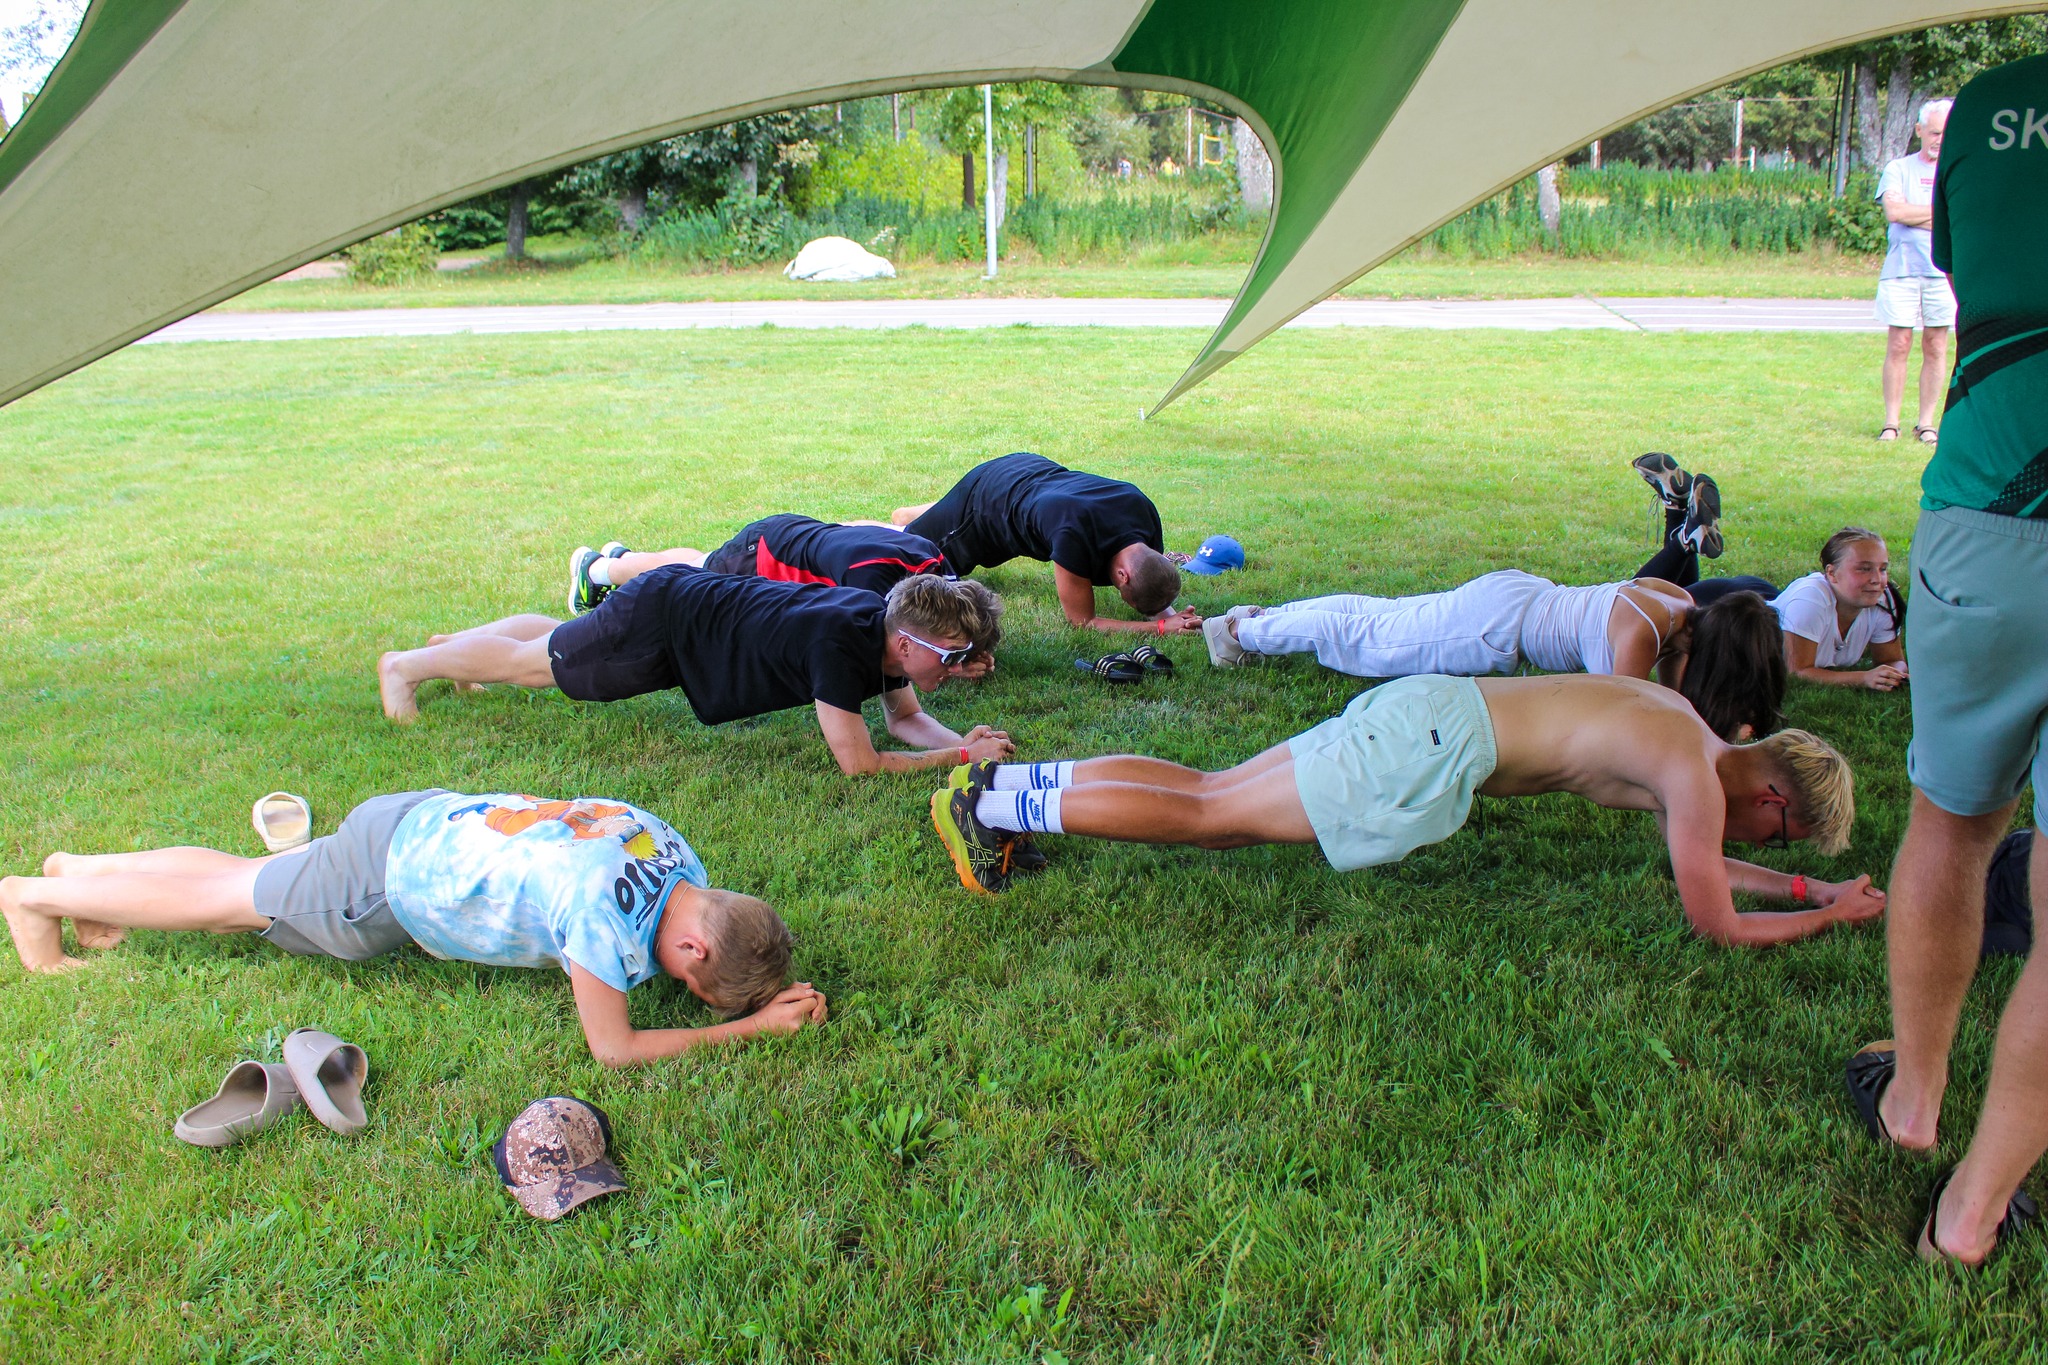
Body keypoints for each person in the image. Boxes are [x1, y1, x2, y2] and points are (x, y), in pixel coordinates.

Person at [929, 674, 1886, 948]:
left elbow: (1703, 859)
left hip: (1428, 708)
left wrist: (1807, 884)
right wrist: (1830, 914)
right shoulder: (1694, 775)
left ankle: (1003, 792)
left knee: (1208, 786)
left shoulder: (1681, 724)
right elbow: (1715, 919)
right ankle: (994, 810)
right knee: (1210, 814)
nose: (1762, 841)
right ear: (1772, 797)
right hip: (1429, 746)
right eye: (1781, 835)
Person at [1844, 53, 2048, 1267]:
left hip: (1986, 511)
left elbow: (1976, 267)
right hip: (1987, 506)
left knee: (1951, 822)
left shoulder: (1988, 105)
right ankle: (1967, 1216)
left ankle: (1912, 1100)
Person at [0, 790, 828, 1068]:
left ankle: (84, 876)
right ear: (694, 947)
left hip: (423, 815)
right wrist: (746, 1027)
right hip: (385, 885)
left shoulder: (672, 847)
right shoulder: (602, 918)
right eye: (688, 982)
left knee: (240, 876)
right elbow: (614, 1047)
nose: (674, 985)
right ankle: (34, 899)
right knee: (228, 902)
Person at [378, 571, 1016, 776]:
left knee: (559, 640)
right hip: (665, 624)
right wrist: (963, 755)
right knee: (539, 667)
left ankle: (456, 649)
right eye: (951, 655)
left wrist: (962, 743)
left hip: (684, 616)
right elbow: (860, 764)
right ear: (906, 641)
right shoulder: (838, 647)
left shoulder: (879, 629)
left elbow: (906, 721)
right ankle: (406, 668)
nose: (959, 669)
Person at [1200, 521, 1786, 741]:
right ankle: (1236, 632)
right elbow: (1627, 720)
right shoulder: (1642, 635)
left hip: (1518, 595)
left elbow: (1673, 701)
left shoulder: (1676, 603)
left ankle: (1258, 619)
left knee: (1381, 616)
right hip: (1499, 626)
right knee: (1370, 643)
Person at [1633, 456, 1907, 691]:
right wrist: (1863, 678)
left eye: (1883, 568)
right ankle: (1684, 538)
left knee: (1673, 599)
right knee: (1636, 602)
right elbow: (1797, 671)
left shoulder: (1882, 600)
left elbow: (1891, 659)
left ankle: (1679, 509)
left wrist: (1895, 672)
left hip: (1763, 602)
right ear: (1831, 574)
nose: (1877, 579)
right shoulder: (1812, 600)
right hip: (1728, 605)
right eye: (1864, 568)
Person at [882, 452, 1199, 635]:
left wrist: (1170, 615)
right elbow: (1082, 621)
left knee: (942, 517)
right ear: (1122, 576)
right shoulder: (1073, 533)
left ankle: (927, 514)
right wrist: (1160, 627)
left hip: (1030, 470)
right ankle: (872, 527)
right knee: (912, 551)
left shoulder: (1143, 513)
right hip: (987, 502)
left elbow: (1148, 576)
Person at [566, 515, 946, 615]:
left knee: (702, 562)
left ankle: (622, 559)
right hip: (768, 554)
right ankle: (596, 570)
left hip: (789, 534)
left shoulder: (933, 560)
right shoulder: (873, 581)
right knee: (686, 581)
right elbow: (883, 641)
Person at [1874, 98, 1956, 445]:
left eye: (1946, 133)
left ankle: (1926, 424)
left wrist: (1916, 214)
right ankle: (1891, 422)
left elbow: (1960, 218)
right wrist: (1940, 215)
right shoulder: (1898, 168)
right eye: (1935, 132)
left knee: (1936, 345)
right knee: (1899, 343)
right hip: (1902, 270)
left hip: (1943, 272)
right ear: (1920, 130)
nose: (1940, 139)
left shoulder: (1956, 170)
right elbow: (1895, 213)